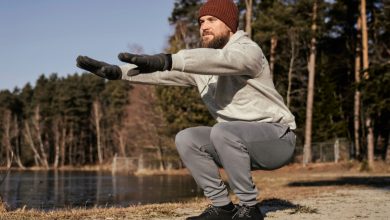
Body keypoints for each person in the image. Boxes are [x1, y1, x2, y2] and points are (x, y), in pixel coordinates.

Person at [76, 0, 296, 219]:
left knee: (223, 130)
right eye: (201, 22)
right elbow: (162, 74)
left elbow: (224, 60)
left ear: (230, 25)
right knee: (187, 138)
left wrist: (168, 59)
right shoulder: (204, 68)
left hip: (277, 139)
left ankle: (250, 208)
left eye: (211, 20)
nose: (204, 26)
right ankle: (222, 207)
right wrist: (118, 72)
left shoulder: (249, 51)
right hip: (235, 142)